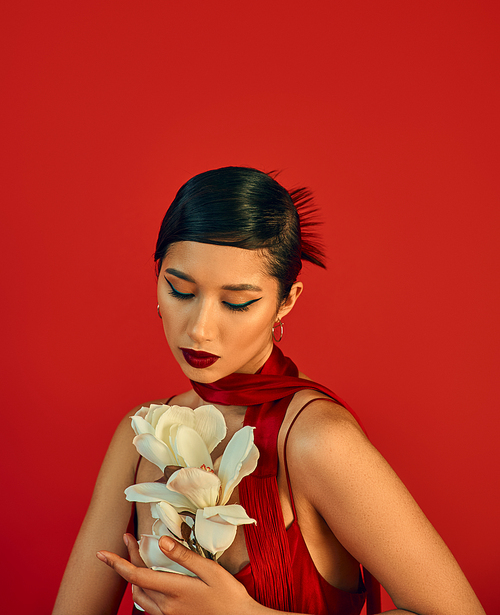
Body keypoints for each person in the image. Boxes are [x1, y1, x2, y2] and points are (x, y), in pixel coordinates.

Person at [52, 166, 486, 615]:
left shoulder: (316, 439)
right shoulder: (141, 434)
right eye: (180, 291)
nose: (200, 330)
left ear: (288, 299)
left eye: (238, 302)